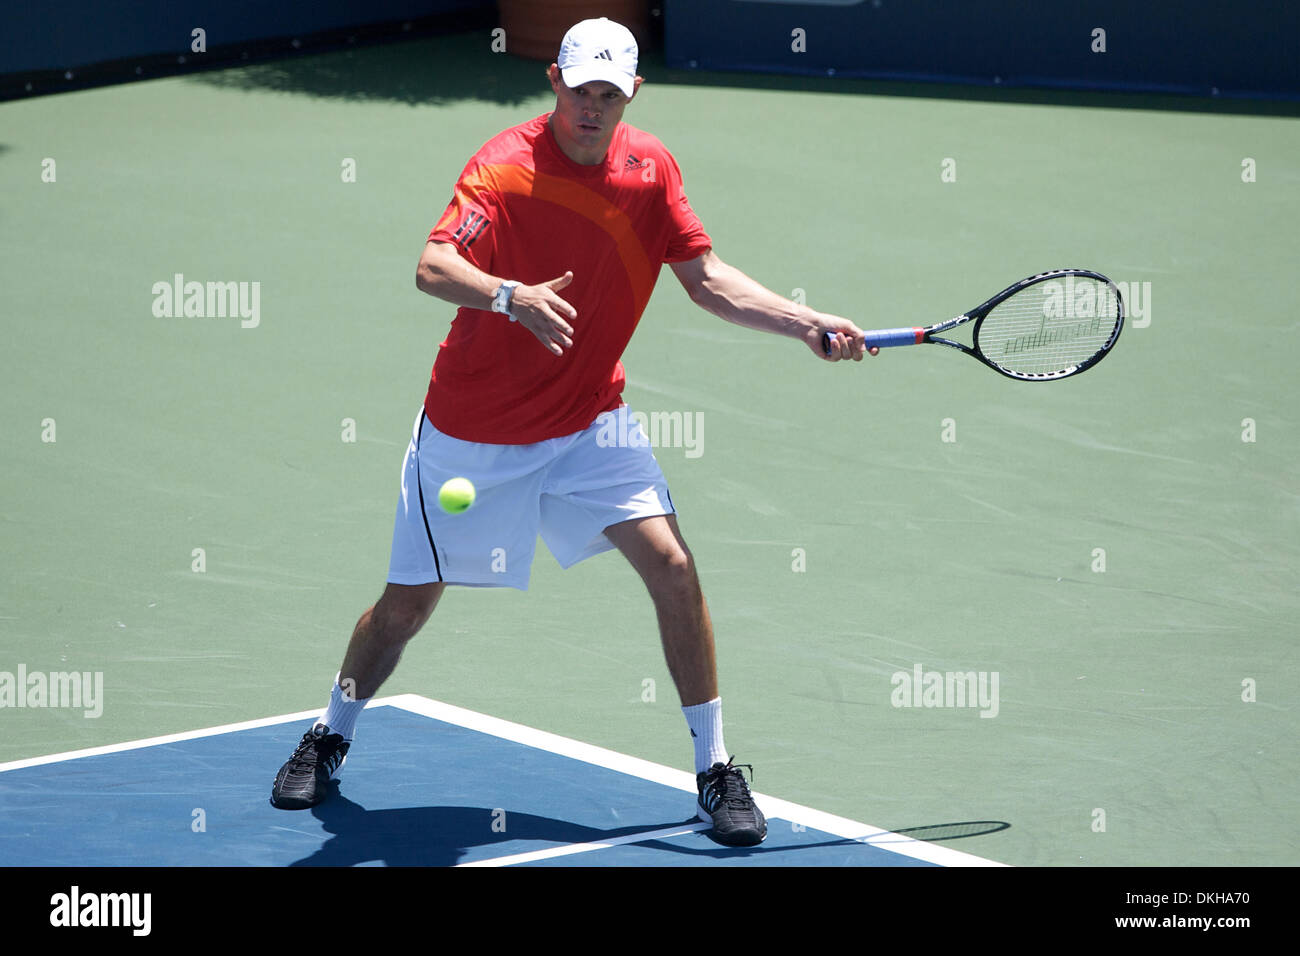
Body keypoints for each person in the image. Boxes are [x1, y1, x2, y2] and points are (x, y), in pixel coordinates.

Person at [270, 17, 872, 847]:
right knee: (408, 605)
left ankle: (715, 769)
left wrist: (802, 321)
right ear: (554, 80)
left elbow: (704, 278)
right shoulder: (504, 168)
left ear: (632, 95)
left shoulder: (650, 170)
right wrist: (508, 295)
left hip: (590, 421)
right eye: (581, 91)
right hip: (473, 431)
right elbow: (431, 264)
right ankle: (330, 733)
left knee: (672, 564)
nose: (593, 109)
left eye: (609, 96)